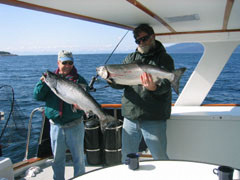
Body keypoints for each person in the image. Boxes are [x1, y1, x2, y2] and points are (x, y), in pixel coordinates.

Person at [109, 24, 175, 162]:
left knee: (160, 157)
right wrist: (111, 80)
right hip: (130, 116)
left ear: (153, 37)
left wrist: (154, 88)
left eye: (144, 39)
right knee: (127, 157)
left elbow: (167, 85)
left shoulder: (164, 58)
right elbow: (122, 84)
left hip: (154, 116)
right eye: (138, 41)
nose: (141, 43)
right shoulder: (130, 58)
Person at [33, 50, 87, 180]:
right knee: (57, 160)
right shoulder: (49, 78)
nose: (67, 65)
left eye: (70, 63)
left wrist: (81, 107)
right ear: (58, 62)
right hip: (56, 126)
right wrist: (43, 83)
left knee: (79, 159)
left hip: (75, 125)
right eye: (64, 62)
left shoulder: (79, 80)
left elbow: (86, 100)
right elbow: (37, 96)